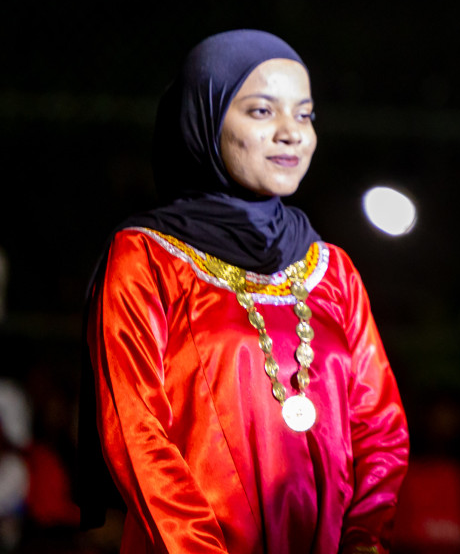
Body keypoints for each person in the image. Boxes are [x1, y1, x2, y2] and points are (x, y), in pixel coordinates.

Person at [80, 30, 409, 554]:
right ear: (205, 119)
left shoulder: (333, 270)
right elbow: (136, 430)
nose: (291, 133)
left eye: (305, 115)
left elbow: (380, 428)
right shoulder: (146, 258)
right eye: (261, 111)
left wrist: (362, 541)